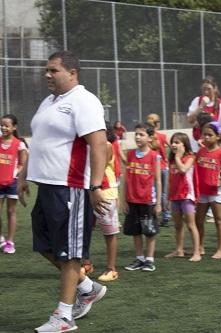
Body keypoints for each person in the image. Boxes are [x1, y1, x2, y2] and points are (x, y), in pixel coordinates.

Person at [16, 50, 109, 332]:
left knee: (70, 254)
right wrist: (22, 175)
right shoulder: (48, 101)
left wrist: (95, 185)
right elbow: (40, 140)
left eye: (53, 70)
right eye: (47, 70)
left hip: (71, 188)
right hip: (46, 186)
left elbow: (99, 144)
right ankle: (87, 287)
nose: (47, 74)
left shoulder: (84, 101)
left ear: (72, 73)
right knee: (44, 246)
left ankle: (64, 317)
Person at [123, 123, 162, 273]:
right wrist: (125, 200)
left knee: (149, 231)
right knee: (136, 231)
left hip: (148, 201)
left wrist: (158, 203)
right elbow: (127, 179)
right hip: (132, 201)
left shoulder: (154, 156)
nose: (138, 137)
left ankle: (149, 260)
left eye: (142, 134)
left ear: (150, 138)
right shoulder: (130, 154)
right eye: (136, 134)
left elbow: (158, 181)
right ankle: (139, 258)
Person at [195, 122, 221, 259]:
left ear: (218, 137)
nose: (206, 137)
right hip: (202, 191)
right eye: (204, 134)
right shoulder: (200, 151)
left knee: (219, 220)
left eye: (210, 135)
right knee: (198, 220)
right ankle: (199, 246)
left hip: (217, 192)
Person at [164, 132, 201, 262]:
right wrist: (167, 198)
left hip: (186, 196)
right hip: (175, 197)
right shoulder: (172, 160)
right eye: (173, 142)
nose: (173, 145)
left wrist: (178, 157)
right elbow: (170, 180)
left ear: (184, 145)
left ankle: (197, 252)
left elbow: (183, 170)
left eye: (177, 142)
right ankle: (179, 250)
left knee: (191, 225)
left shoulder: (190, 157)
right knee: (178, 225)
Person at [95, 122, 120, 282]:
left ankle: (111, 269)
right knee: (84, 232)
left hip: (105, 193)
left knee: (109, 233)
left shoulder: (107, 145)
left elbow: (98, 167)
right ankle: (86, 263)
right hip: (91, 191)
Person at [0, 114, 28, 254]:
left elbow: (23, 164)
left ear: (14, 127)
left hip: (12, 183)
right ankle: (1, 239)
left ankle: (10, 242)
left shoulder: (20, 144)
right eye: (2, 125)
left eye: (6, 125)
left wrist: (14, 174)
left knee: (11, 211)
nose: (3, 128)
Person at [187, 76, 221, 152]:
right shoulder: (197, 101)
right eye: (204, 89)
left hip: (213, 147)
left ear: (215, 89)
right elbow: (190, 120)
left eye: (209, 89)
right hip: (196, 146)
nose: (206, 92)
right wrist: (201, 107)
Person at [146, 113, 171, 227]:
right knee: (164, 193)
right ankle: (166, 215)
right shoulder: (163, 136)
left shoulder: (148, 137)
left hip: (153, 168)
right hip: (164, 167)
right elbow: (172, 148)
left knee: (154, 192)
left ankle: (154, 214)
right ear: (158, 124)